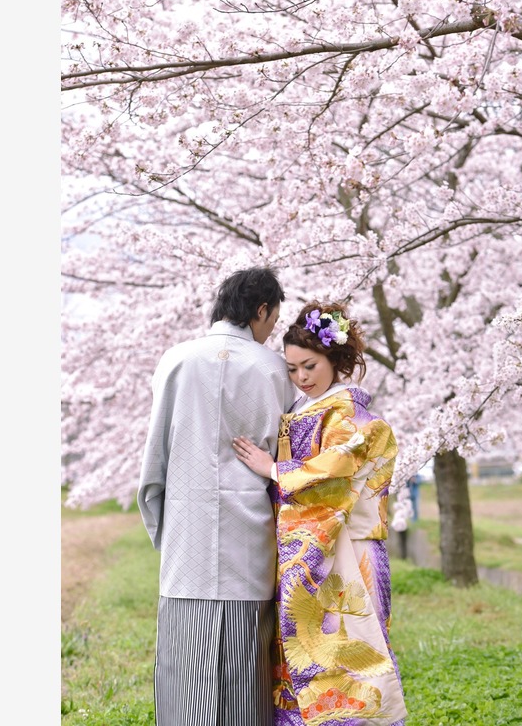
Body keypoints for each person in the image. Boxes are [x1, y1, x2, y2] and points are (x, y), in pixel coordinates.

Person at [233, 301, 408, 726]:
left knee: (350, 652)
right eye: (292, 370)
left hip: (346, 547)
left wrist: (274, 469)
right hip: (316, 543)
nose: (301, 378)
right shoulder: (307, 409)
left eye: (309, 365)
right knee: (308, 652)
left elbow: (338, 470)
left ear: (335, 358)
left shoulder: (348, 412)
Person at [137, 267, 295, 726]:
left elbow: (154, 464)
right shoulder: (273, 369)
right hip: (250, 536)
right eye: (272, 320)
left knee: (185, 668)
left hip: (187, 535)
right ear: (260, 310)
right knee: (247, 670)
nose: (271, 332)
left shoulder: (177, 359)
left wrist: (164, 530)